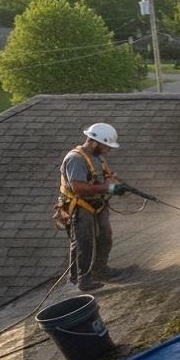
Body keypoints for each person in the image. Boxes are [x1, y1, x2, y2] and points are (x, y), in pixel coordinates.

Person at [56, 123, 128, 292]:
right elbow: (78, 188)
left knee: (105, 236)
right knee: (83, 242)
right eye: (106, 146)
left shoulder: (97, 157)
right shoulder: (76, 159)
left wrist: (114, 183)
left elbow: (101, 177)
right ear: (95, 142)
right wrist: (109, 189)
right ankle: (81, 279)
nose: (108, 150)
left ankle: (100, 269)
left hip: (97, 203)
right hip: (80, 206)